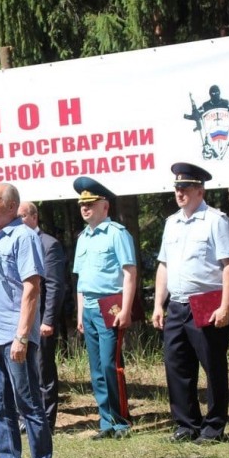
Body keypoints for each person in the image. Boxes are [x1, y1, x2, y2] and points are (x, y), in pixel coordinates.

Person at [0, 183, 58, 458]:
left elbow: (32, 288)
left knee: (28, 402)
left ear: (11, 206)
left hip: (15, 335)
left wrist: (22, 336)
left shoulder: (24, 236)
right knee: (0, 404)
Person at [152, 163, 229, 444]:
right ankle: (187, 424)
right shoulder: (171, 222)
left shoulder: (216, 220)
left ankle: (213, 427)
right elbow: (164, 265)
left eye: (185, 188)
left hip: (206, 303)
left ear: (200, 191)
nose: (180, 193)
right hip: (176, 304)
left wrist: (225, 306)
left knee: (213, 366)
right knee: (176, 366)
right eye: (177, 188)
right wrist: (158, 305)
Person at [72, 177, 137, 440]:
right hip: (88, 307)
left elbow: (129, 273)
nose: (85, 208)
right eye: (82, 204)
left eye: (90, 203)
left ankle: (121, 422)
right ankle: (106, 422)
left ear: (105, 206)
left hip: (110, 305)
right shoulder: (83, 238)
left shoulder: (117, 233)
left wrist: (126, 309)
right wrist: (80, 313)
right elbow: (80, 280)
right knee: (97, 368)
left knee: (111, 365)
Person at [18, 201, 66, 433]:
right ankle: (26, 417)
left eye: (22, 216)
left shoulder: (48, 244)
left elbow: (54, 286)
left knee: (42, 369)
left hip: (40, 319)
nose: (19, 221)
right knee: (23, 370)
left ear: (34, 217)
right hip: (20, 318)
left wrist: (48, 320)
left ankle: (46, 421)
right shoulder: (17, 241)